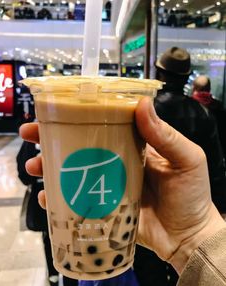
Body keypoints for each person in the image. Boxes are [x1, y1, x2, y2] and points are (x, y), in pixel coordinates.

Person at [19, 96, 226, 285]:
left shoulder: (150, 108)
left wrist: (194, 235)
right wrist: (196, 236)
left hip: (136, 216)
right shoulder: (203, 112)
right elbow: (217, 169)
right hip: (135, 213)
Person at [134, 47, 226, 286]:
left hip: (146, 204)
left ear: (158, 73)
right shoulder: (203, 112)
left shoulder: (143, 109)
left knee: (149, 271)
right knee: (186, 271)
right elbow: (215, 167)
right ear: (187, 78)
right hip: (191, 206)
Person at [17, 135, 78, 286]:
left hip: (61, 201)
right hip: (54, 202)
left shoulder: (42, 137)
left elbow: (23, 174)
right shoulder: (37, 138)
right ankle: (56, 272)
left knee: (58, 238)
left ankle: (60, 273)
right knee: (54, 238)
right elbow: (24, 173)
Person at [192, 75, 226, 159]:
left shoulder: (188, 105)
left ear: (194, 88)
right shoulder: (219, 106)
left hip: (194, 154)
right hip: (214, 154)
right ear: (209, 88)